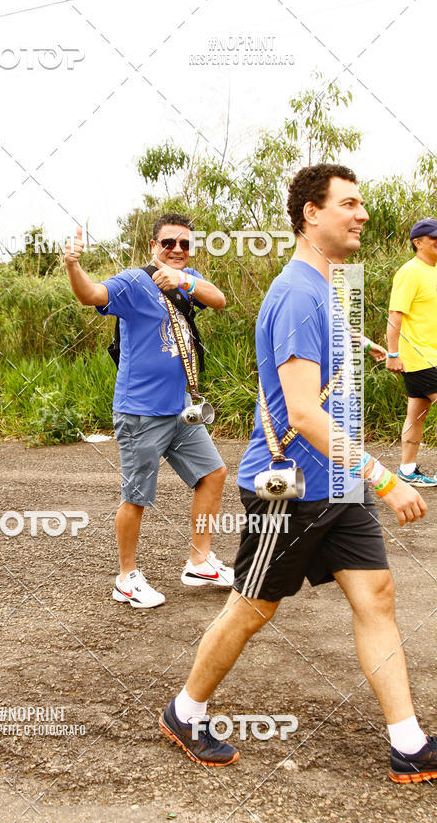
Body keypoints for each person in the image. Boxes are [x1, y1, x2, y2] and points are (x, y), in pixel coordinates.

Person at [159, 165, 436, 784]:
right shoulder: (297, 294)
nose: (362, 214)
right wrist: (386, 479)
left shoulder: (324, 291)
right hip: (289, 490)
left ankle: (408, 742)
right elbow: (304, 412)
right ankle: (184, 711)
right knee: (252, 610)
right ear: (311, 212)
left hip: (338, 486)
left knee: (378, 597)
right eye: (350, 203)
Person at [64, 212, 234, 608]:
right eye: (168, 243)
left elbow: (220, 300)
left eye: (185, 244)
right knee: (137, 496)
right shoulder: (133, 282)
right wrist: (73, 265)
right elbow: (90, 295)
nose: (177, 250)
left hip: (180, 410)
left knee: (214, 474)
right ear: (152, 247)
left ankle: (199, 560)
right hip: (141, 411)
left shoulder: (185, 282)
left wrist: (184, 280)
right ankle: (125, 578)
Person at [387, 218, 437, 487]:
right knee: (417, 412)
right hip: (419, 357)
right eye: (434, 238)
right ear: (418, 243)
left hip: (432, 355)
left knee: (417, 412)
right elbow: (396, 314)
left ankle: (407, 470)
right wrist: (393, 354)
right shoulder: (410, 272)